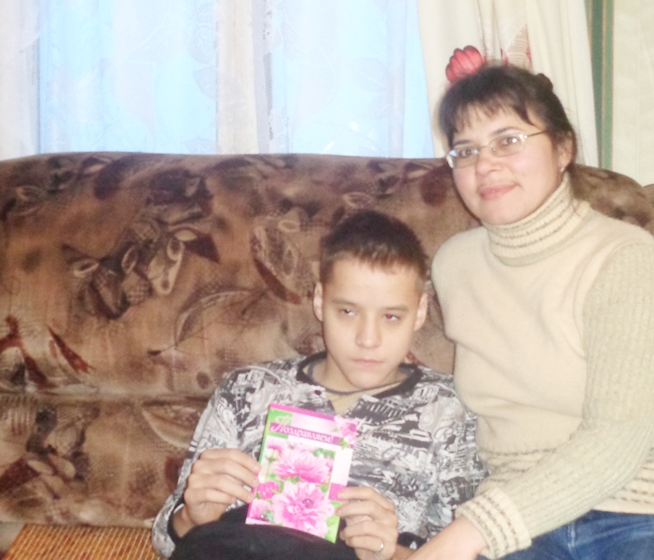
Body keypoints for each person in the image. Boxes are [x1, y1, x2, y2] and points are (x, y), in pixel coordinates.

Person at [408, 64, 654, 560]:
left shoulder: (626, 259)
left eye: (508, 141)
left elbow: (617, 442)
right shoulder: (454, 265)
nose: (485, 165)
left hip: (647, 508)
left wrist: (467, 532)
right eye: (466, 150)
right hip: (522, 528)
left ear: (563, 149)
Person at [152, 210, 486, 560]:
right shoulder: (248, 388)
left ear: (419, 313)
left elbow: (472, 550)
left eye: (391, 316)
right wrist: (192, 517)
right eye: (348, 312)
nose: (368, 339)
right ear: (319, 301)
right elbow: (165, 539)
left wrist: (393, 552)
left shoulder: (448, 407)